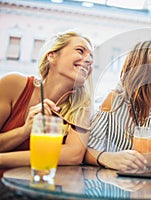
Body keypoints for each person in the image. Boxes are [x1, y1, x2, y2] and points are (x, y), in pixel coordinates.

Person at [84, 39, 151, 171]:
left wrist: (141, 159)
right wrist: (111, 159)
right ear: (146, 72)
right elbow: (89, 150)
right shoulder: (114, 101)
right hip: (114, 185)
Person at [0, 30, 94, 176]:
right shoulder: (13, 84)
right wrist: (25, 131)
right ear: (52, 55)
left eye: (91, 58)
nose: (89, 60)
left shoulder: (82, 106)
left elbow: (73, 155)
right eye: (80, 51)